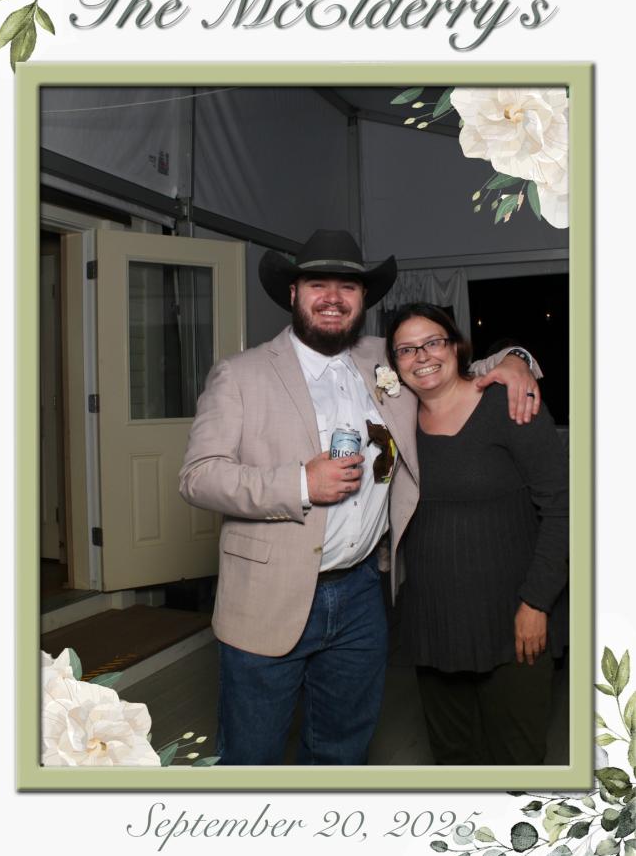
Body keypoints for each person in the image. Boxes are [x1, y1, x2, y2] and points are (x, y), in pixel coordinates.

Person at [178, 230, 541, 766]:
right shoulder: (241, 374)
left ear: (363, 298)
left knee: (342, 751)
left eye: (347, 287)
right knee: (251, 758)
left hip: (362, 596)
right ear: (293, 294)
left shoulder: (382, 358)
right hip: (267, 596)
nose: (333, 297)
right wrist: (300, 484)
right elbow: (198, 476)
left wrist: (515, 359)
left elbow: (453, 367)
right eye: (317, 285)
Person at [386, 302, 568, 765]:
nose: (422, 356)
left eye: (433, 342)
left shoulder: (510, 405)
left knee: (518, 762)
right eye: (406, 349)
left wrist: (537, 602)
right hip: (433, 622)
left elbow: (565, 508)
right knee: (453, 759)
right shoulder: (397, 422)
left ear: (456, 347)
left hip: (514, 620)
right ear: (394, 364)